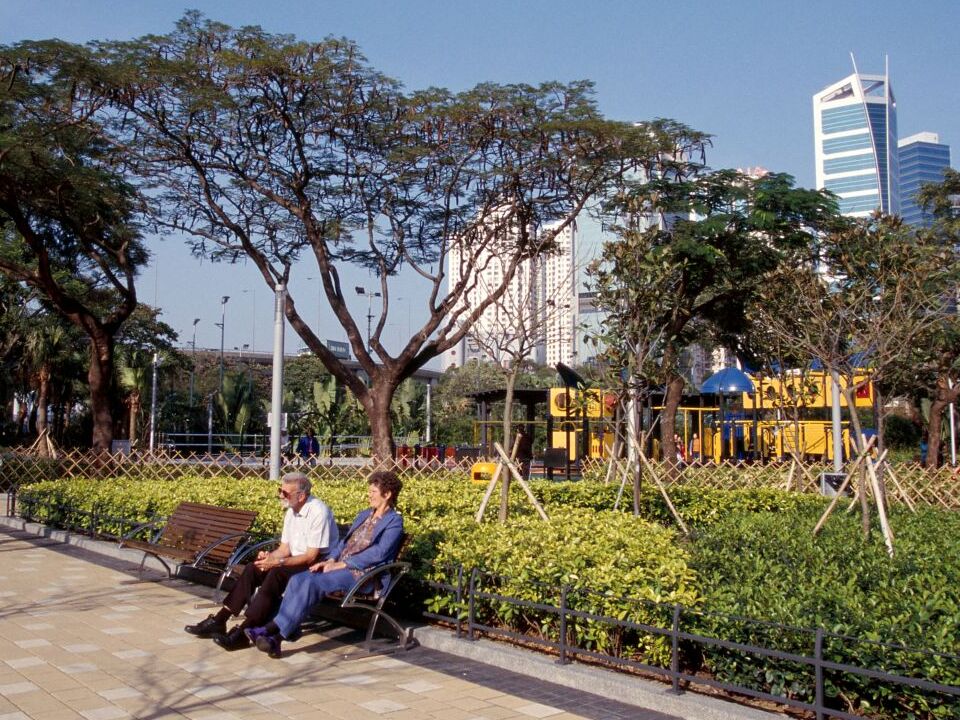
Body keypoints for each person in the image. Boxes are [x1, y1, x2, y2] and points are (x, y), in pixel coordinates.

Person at [244, 470, 404, 658]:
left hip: (363, 574)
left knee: (313, 583)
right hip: (340, 567)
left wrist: (343, 564)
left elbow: (380, 553)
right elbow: (344, 543)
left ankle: (272, 632)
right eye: (369, 491)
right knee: (298, 579)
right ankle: (280, 635)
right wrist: (330, 560)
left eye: (373, 492)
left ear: (387, 494)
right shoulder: (364, 515)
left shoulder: (394, 522)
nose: (369, 495)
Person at [183, 472, 338, 651]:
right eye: (280, 490)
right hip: (295, 560)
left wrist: (277, 563)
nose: (280, 495)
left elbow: (311, 556)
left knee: (276, 574)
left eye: (285, 493)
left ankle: (243, 631)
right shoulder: (291, 511)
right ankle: (220, 619)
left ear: (301, 496)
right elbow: (285, 549)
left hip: (316, 564)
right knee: (253, 568)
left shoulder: (318, 512)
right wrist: (270, 557)